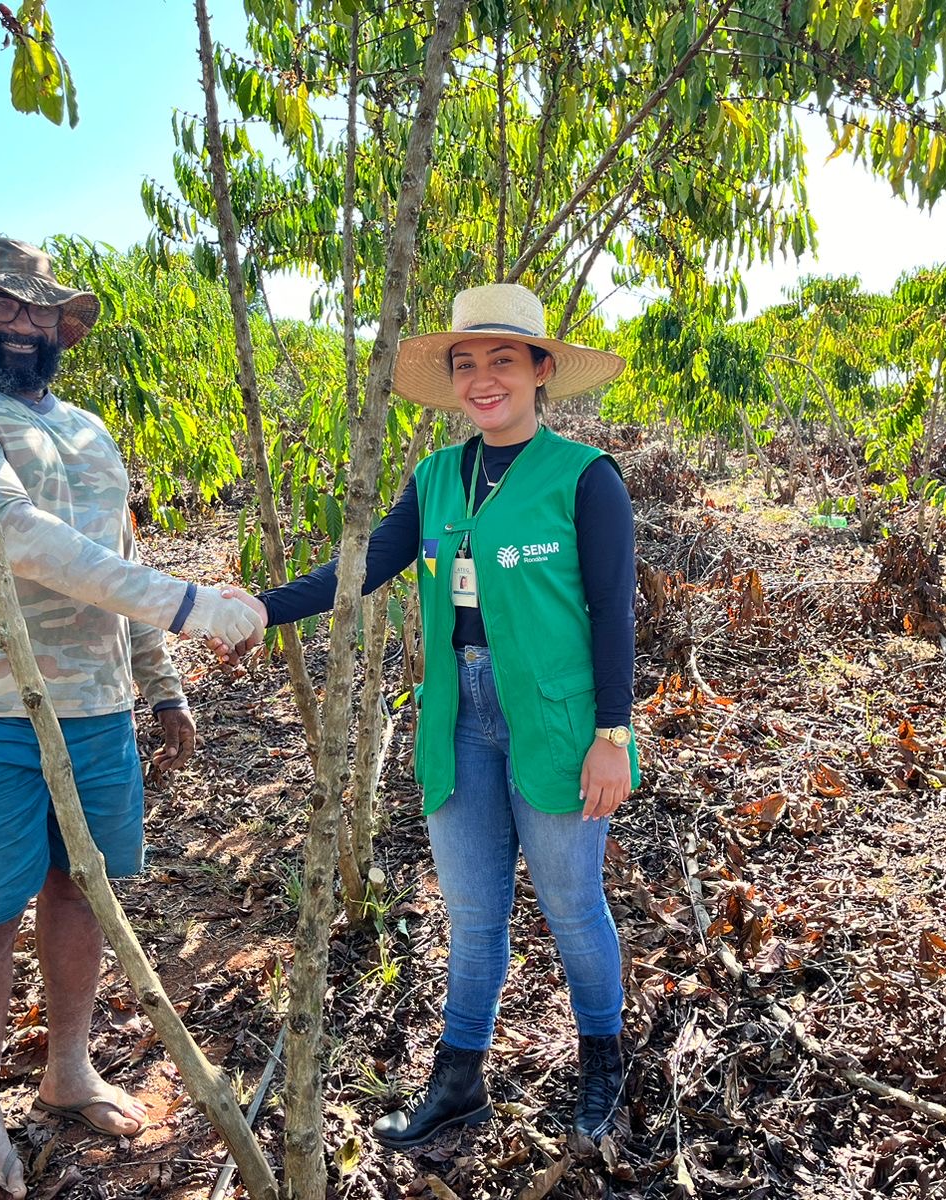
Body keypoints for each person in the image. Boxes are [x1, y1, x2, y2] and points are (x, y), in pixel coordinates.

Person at [0, 238, 263, 1200]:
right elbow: (14, 532)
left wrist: (162, 680)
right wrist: (188, 603)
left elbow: (112, 555)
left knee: (81, 888)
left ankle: (68, 1067)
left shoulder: (94, 432)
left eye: (40, 313)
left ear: (62, 328)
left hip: (100, 709)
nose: (24, 325)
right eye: (3, 308)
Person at [220, 282, 639, 1149]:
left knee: (570, 904)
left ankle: (604, 1057)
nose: (482, 380)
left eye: (501, 361)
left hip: (557, 724)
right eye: (465, 365)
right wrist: (259, 608)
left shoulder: (584, 479)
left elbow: (613, 611)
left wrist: (613, 736)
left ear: (540, 370)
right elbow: (365, 568)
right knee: (474, 913)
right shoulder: (437, 476)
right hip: (458, 717)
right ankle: (460, 1078)